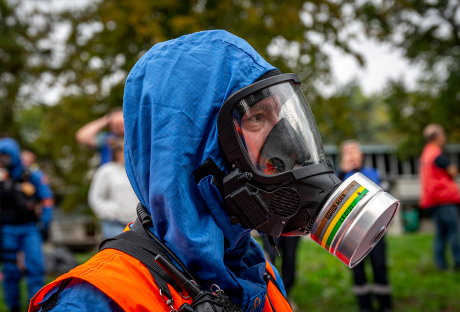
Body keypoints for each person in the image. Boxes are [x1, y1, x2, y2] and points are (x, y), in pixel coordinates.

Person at [30, 30, 348, 312]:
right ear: (196, 147)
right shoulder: (99, 300)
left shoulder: (260, 273)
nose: (287, 145)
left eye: (279, 118)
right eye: (256, 118)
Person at [337, 140, 392, 312]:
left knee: (379, 265)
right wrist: (341, 173)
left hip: (375, 232)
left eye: (354, 150)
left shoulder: (374, 173)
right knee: (357, 269)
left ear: (361, 154)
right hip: (351, 235)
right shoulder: (338, 178)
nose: (351, 154)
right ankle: (364, 306)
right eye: (347, 151)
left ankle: (385, 304)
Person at [0, 138, 54, 312]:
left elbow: (47, 199)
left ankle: (37, 307)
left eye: (6, 155)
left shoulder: (31, 175)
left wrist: (45, 223)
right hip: (7, 229)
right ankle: (13, 307)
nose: (3, 159)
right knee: (10, 271)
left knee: (35, 268)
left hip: (30, 228)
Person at [419, 124, 460, 271]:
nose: (445, 137)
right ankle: (459, 263)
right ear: (436, 137)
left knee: (441, 233)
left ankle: (440, 265)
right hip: (444, 199)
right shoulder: (437, 154)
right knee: (454, 230)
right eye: (443, 134)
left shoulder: (426, 154)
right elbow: (453, 172)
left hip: (433, 199)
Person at [88, 138, 139, 239]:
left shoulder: (137, 172)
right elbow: (95, 197)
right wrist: (109, 212)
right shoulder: (107, 171)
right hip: (116, 223)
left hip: (136, 223)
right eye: (120, 150)